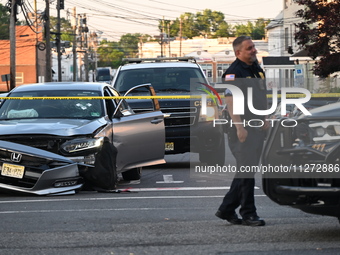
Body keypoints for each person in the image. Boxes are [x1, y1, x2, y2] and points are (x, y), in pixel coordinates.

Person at [215, 36, 269, 226]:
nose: (254, 50)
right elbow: (231, 102)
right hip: (242, 127)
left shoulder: (256, 69)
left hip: (256, 127)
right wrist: (239, 127)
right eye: (249, 48)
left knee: (247, 170)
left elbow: (262, 97)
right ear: (238, 52)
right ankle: (248, 213)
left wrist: (265, 118)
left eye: (253, 47)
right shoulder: (233, 73)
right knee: (246, 172)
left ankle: (226, 209)